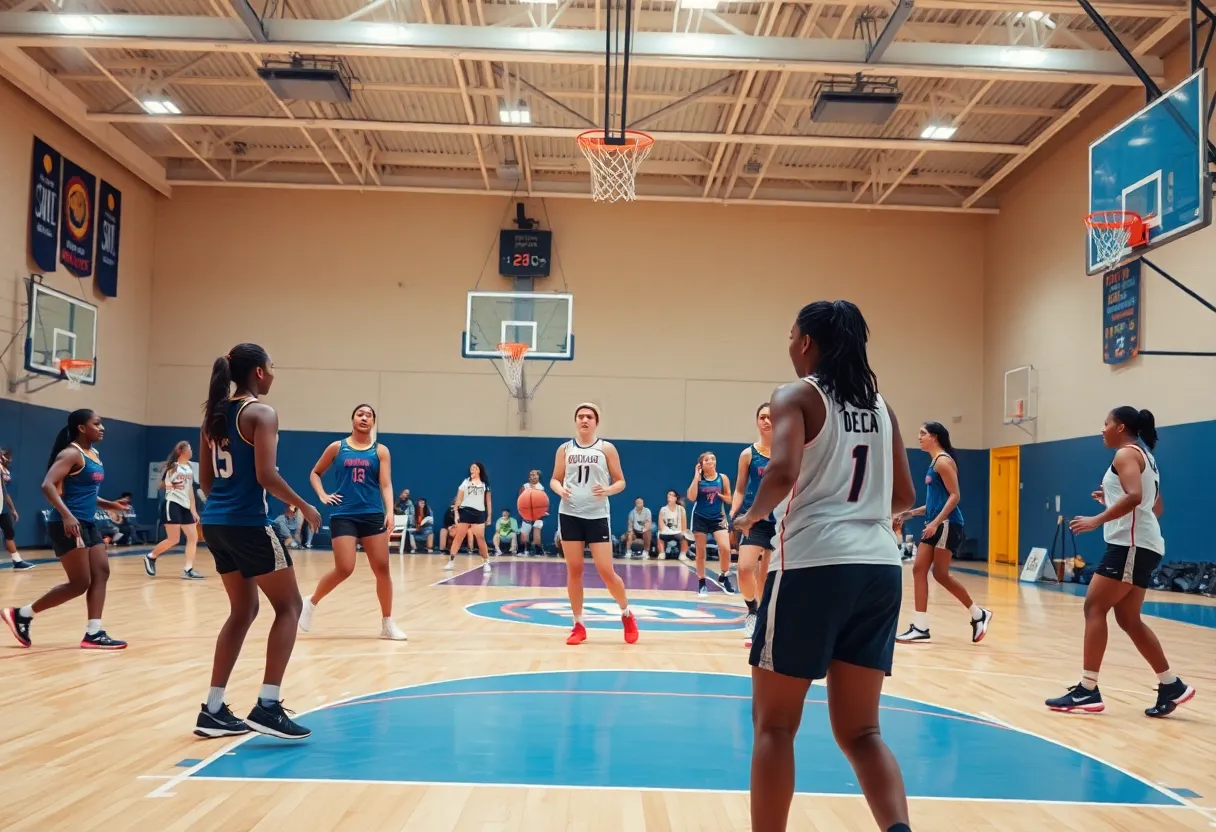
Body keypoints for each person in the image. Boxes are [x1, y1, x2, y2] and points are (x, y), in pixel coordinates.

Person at [736, 300, 915, 832]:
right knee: (862, 733)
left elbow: (783, 468)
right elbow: (902, 495)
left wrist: (750, 516)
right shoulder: (881, 406)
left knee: (774, 728)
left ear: (807, 343)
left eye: (791, 336)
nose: (789, 345)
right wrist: (857, 513)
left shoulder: (795, 394)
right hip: (880, 568)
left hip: (814, 566)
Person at [193, 342, 320, 741]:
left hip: (215, 524)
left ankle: (212, 710)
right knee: (290, 606)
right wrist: (304, 505)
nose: (274, 372)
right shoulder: (261, 413)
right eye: (273, 365)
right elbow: (266, 476)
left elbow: (207, 483)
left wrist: (229, 504)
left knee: (243, 610)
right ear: (260, 373)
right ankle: (268, 706)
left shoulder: (214, 417)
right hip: (249, 524)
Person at [1045, 406, 1194, 717]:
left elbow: (1136, 497)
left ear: (1120, 426)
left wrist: (1098, 519)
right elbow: (1156, 507)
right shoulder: (1146, 457)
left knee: (1094, 607)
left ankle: (1087, 690)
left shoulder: (1125, 454)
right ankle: (1172, 685)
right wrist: (1111, 500)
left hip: (1130, 545)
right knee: (1128, 619)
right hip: (1144, 544)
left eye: (1106, 424)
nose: (1102, 430)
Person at [2, 409, 131, 648]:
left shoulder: (94, 454)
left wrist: (109, 503)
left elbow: (86, 492)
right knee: (80, 583)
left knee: (101, 572)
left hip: (87, 522)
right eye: (97, 424)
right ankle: (22, 614)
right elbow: (48, 485)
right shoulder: (72, 453)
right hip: (67, 524)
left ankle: (93, 633)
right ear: (82, 428)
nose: (102, 428)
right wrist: (67, 516)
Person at [301, 404, 406, 641]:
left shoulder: (381, 451)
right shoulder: (338, 447)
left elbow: (386, 484)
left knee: (382, 569)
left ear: (373, 422)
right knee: (345, 568)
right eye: (360, 414)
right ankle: (311, 602)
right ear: (352, 419)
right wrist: (322, 495)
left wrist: (390, 511)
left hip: (372, 514)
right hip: (344, 514)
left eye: (369, 415)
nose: (364, 417)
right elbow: (315, 473)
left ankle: (387, 623)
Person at [894, 422, 992, 644]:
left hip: (947, 524)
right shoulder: (934, 463)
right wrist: (908, 514)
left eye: (923, 433)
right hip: (936, 523)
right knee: (920, 570)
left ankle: (978, 613)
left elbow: (955, 496)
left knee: (939, 574)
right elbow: (934, 503)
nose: (919, 437)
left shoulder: (943, 462)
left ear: (934, 437)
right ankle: (921, 627)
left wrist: (936, 522)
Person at [551, 403, 638, 646]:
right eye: (580, 416)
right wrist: (560, 489)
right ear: (575, 421)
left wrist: (608, 489)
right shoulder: (565, 449)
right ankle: (578, 624)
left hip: (597, 515)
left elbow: (621, 481)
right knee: (574, 570)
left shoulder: (606, 448)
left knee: (606, 571)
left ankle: (626, 613)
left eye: (589, 416)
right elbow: (554, 479)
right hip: (569, 514)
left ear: (596, 421)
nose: (584, 420)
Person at [731, 402, 775, 647]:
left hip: (780, 520)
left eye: (771, 417)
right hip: (753, 518)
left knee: (768, 575)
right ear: (757, 421)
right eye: (762, 417)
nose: (766, 421)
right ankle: (752, 611)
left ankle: (766, 622)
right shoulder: (748, 454)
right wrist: (733, 515)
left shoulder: (787, 451)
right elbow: (739, 489)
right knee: (745, 569)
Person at [144, 440, 204, 579]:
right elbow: (160, 485)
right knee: (173, 539)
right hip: (172, 504)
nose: (191, 451)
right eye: (189, 448)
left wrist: (194, 510)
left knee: (193, 537)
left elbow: (190, 491)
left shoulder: (189, 468)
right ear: (181, 451)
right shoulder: (172, 467)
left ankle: (188, 569)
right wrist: (172, 486)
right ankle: (151, 556)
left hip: (186, 506)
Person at [687, 452, 736, 595]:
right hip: (700, 517)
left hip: (717, 518)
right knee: (701, 552)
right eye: (706, 460)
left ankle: (724, 576)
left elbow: (729, 499)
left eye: (713, 458)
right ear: (701, 464)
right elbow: (691, 497)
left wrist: (722, 496)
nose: (710, 461)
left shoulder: (723, 478)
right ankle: (701, 582)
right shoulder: (699, 480)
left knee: (725, 548)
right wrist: (696, 476)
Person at [443, 463, 492, 574]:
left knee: (480, 538)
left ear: (480, 470)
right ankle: (451, 561)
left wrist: (489, 516)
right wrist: (456, 513)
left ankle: (486, 562)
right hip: (465, 512)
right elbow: (459, 500)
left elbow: (488, 502)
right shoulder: (465, 482)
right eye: (471, 467)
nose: (472, 469)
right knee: (459, 537)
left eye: (475, 467)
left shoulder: (485, 485)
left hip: (479, 513)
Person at [0, 447, 32, 569]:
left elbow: (4, 491)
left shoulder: (4, 470)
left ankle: (17, 561)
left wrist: (12, 509)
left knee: (9, 532)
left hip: (2, 506)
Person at [518, 470, 547, 555]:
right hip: (527, 512)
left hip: (538, 513)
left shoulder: (541, 488)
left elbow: (543, 501)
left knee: (537, 530)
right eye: (531, 475)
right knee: (524, 532)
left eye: (534, 475)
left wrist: (543, 511)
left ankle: (538, 551)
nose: (532, 476)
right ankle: (522, 550)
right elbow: (520, 499)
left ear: (538, 476)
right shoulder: (525, 486)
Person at [656, 489, 688, 561]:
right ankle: (661, 553)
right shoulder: (663, 509)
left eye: (671, 494)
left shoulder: (681, 509)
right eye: (668, 495)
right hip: (666, 532)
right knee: (659, 533)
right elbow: (660, 525)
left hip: (678, 532)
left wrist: (682, 532)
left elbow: (684, 525)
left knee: (685, 534)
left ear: (675, 498)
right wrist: (666, 531)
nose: (669, 496)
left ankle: (683, 554)